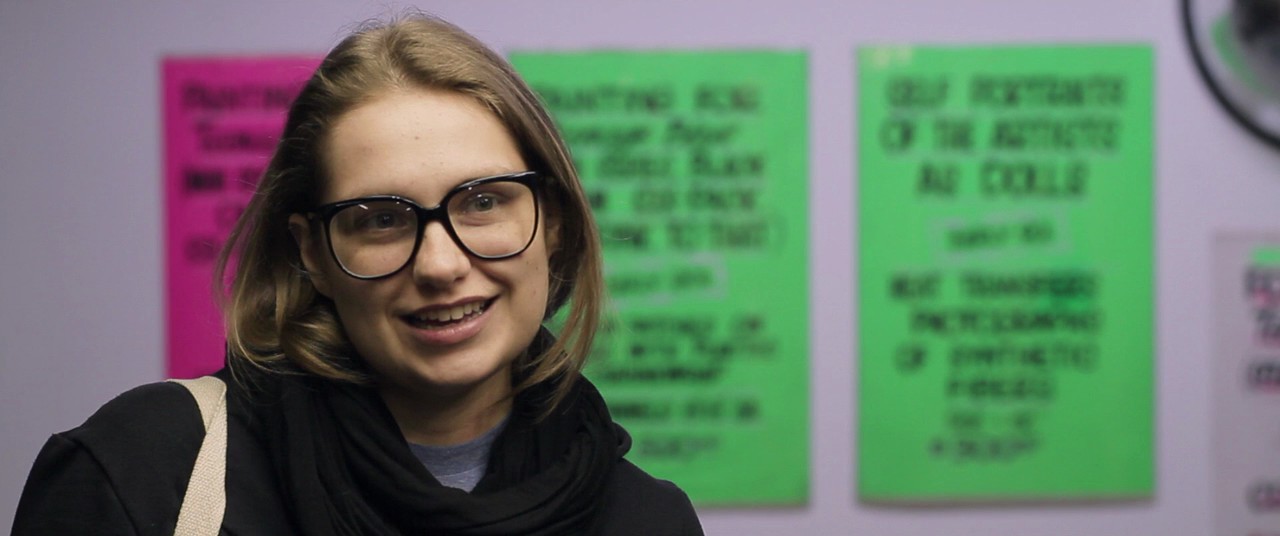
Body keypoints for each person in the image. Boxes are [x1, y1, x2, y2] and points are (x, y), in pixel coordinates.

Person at [13, 14, 704, 535]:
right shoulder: (142, 474)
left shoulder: (644, 518)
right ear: (310, 250)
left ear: (552, 220)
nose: (440, 264)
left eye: (484, 201)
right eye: (380, 219)